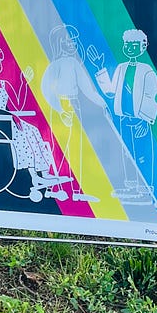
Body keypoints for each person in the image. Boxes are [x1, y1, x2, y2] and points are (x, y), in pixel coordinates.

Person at [0, 46, 68, 200]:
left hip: (11, 119)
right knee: (27, 134)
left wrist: (24, 83)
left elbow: (17, 104)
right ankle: (37, 175)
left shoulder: (5, 82)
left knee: (34, 133)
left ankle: (44, 174)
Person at [40, 25, 106, 202]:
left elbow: (88, 90)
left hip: (73, 104)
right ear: (60, 42)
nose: (72, 43)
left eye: (74, 40)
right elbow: (46, 90)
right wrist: (60, 110)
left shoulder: (75, 63)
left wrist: (103, 103)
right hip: (63, 105)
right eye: (68, 40)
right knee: (61, 147)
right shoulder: (56, 65)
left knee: (77, 147)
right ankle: (56, 187)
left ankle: (77, 190)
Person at [95, 28, 157, 203]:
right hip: (123, 118)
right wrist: (100, 69)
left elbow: (153, 96)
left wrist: (145, 119)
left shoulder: (147, 71)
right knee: (126, 153)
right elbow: (111, 92)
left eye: (134, 45)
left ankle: (145, 187)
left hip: (139, 120)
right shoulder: (121, 68)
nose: (130, 48)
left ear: (142, 47)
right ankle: (131, 186)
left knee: (142, 153)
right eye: (127, 45)